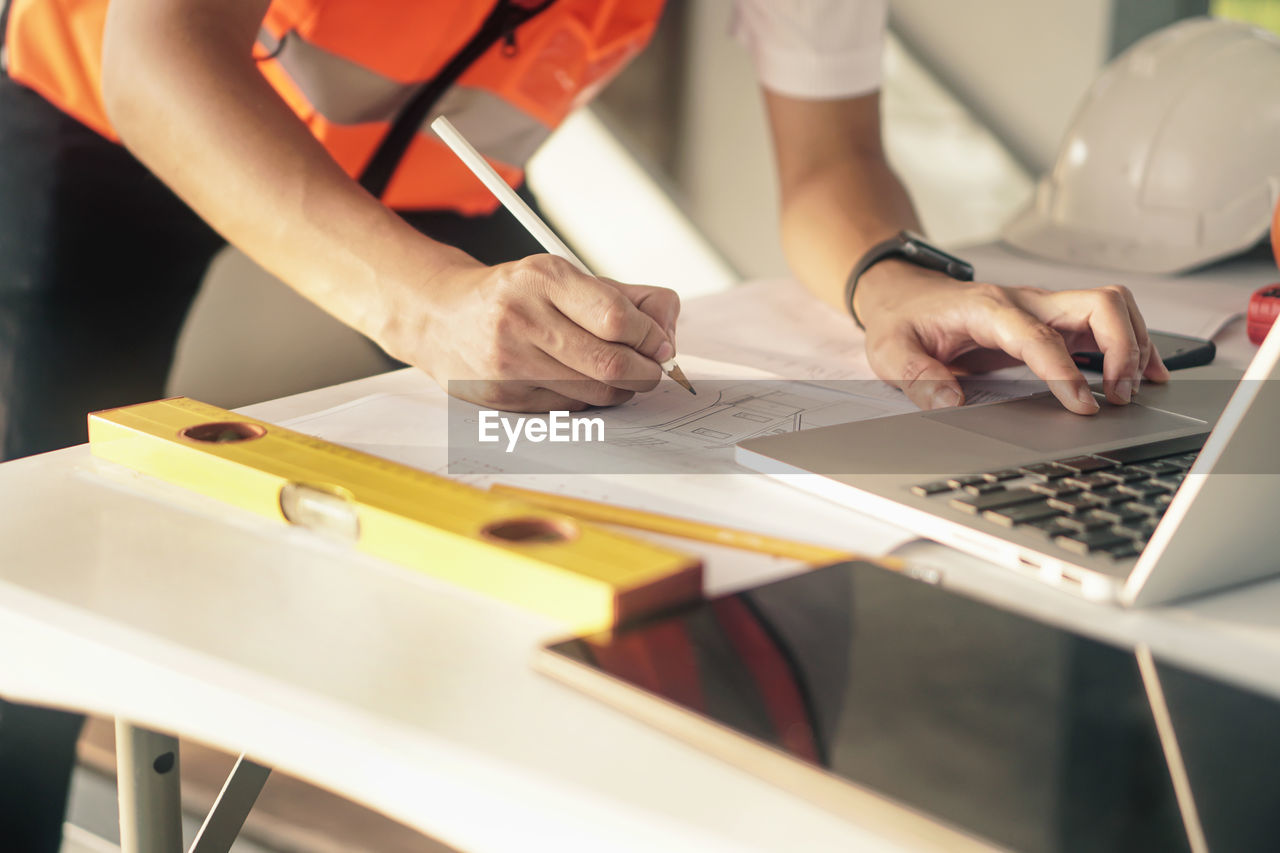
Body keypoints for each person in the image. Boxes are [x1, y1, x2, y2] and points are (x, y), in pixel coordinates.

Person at [0, 0, 1169, 848]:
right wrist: (425, 305)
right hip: (100, 109)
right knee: (22, 552)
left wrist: (896, 282)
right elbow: (154, 55)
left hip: (441, 180)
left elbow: (831, 161)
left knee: (588, 472)